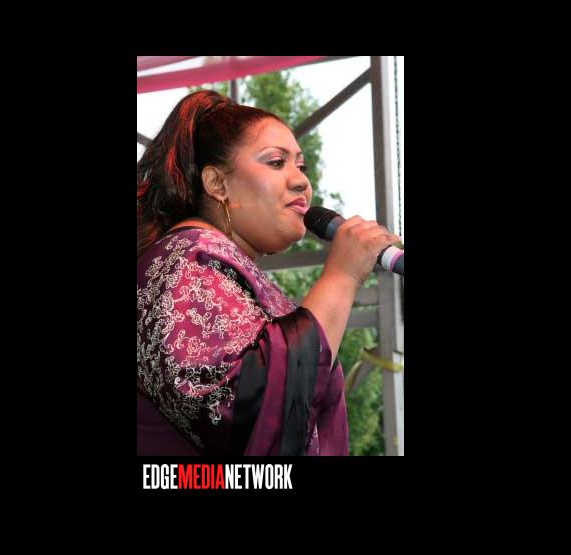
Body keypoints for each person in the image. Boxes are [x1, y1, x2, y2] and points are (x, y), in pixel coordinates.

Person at [137, 90, 400, 456]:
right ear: (218, 184)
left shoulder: (221, 266)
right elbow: (247, 410)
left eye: (301, 166)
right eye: (277, 162)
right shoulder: (186, 258)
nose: (301, 181)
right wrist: (341, 277)